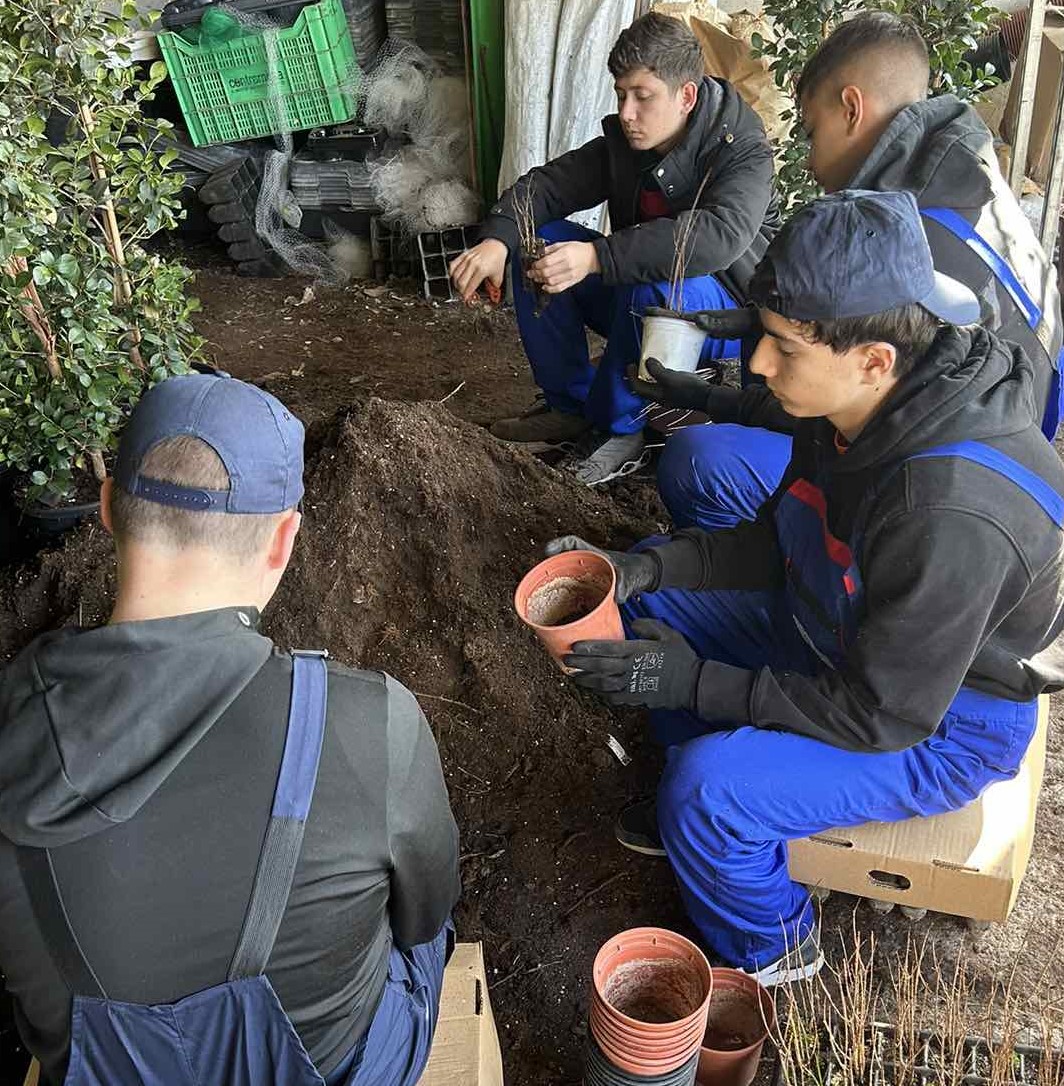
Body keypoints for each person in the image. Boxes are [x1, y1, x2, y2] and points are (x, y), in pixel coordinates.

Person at [549, 191, 1064, 983]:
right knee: (650, 592)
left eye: (783, 348)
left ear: (873, 360)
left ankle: (775, 946)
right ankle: (721, 797)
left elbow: (879, 713)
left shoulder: (950, 512)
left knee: (706, 795)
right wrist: (646, 568)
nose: (759, 364)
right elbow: (785, 540)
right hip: (847, 630)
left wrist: (698, 682)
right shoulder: (861, 410)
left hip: (939, 721)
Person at [0, 374, 460, 1085]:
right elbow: (424, 915)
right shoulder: (371, 722)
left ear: (106, 510)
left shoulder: (10, 717)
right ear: (284, 539)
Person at [638, 12, 1063, 514]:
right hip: (1017, 426)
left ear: (852, 109)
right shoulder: (960, 172)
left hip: (955, 490)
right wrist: (756, 325)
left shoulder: (910, 243)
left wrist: (716, 402)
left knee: (701, 461)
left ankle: (774, 575)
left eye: (813, 133)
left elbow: (867, 404)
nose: (812, 163)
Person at [450, 12, 780, 485]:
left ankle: (621, 429)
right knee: (535, 248)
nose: (626, 112)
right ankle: (569, 405)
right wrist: (496, 240)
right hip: (638, 296)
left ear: (686, 96)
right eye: (621, 95)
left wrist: (595, 257)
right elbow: (547, 187)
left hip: (721, 314)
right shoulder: (631, 141)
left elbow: (718, 234)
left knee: (656, 282)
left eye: (642, 97)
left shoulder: (741, 148)